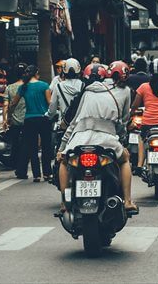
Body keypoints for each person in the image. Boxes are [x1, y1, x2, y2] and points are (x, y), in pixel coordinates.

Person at [56, 64, 138, 213]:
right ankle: (127, 201)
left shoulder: (87, 92)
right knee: (125, 159)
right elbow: (121, 122)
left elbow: (74, 122)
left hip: (79, 140)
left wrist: (62, 148)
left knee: (63, 160)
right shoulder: (120, 93)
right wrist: (122, 139)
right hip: (106, 141)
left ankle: (63, 202)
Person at [10, 65, 53, 182]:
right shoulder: (44, 85)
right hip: (44, 119)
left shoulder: (23, 87)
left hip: (29, 120)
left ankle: (36, 175)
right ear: (37, 73)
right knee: (46, 146)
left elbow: (14, 102)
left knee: (32, 148)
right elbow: (50, 102)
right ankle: (47, 173)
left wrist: (9, 115)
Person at [4, 63, 28, 178]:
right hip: (28, 119)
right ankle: (23, 167)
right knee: (26, 144)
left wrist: (6, 118)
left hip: (14, 120)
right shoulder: (29, 86)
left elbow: (6, 105)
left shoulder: (10, 87)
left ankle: (16, 165)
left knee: (15, 143)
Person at [47, 58, 84, 131]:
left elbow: (52, 109)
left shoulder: (58, 86)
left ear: (64, 70)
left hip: (64, 124)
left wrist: (48, 116)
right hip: (79, 126)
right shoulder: (83, 85)